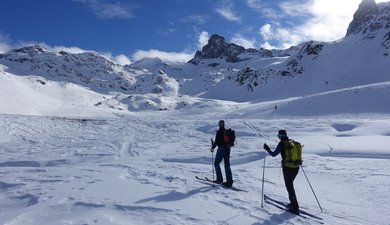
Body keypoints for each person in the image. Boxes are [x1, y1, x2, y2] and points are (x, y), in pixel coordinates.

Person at [263, 129, 300, 215]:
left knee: (289, 187)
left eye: (279, 136)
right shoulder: (292, 142)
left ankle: (295, 207)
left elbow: (273, 154)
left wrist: (267, 148)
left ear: (280, 136)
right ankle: (292, 203)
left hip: (287, 168)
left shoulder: (281, 144)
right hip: (296, 167)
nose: (279, 138)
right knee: (290, 186)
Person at [210, 120, 233, 187]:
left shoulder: (219, 131)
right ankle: (229, 182)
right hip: (228, 149)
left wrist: (212, 148)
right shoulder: (227, 131)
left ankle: (219, 179)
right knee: (227, 165)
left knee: (216, 163)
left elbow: (216, 141)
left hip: (221, 149)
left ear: (219, 125)